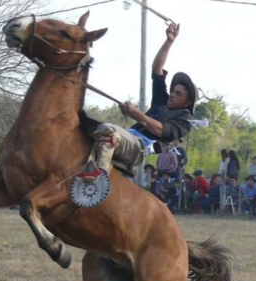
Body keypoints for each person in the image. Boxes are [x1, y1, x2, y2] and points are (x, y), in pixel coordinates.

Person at [81, 23, 197, 182]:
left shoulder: (185, 120)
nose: (172, 95)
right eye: (172, 91)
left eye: (178, 94)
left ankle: (99, 177)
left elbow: (160, 130)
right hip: (129, 137)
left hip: (140, 148)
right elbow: (157, 69)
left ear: (186, 103)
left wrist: (135, 113)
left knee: (108, 131)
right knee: (88, 129)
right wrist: (169, 41)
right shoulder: (161, 100)